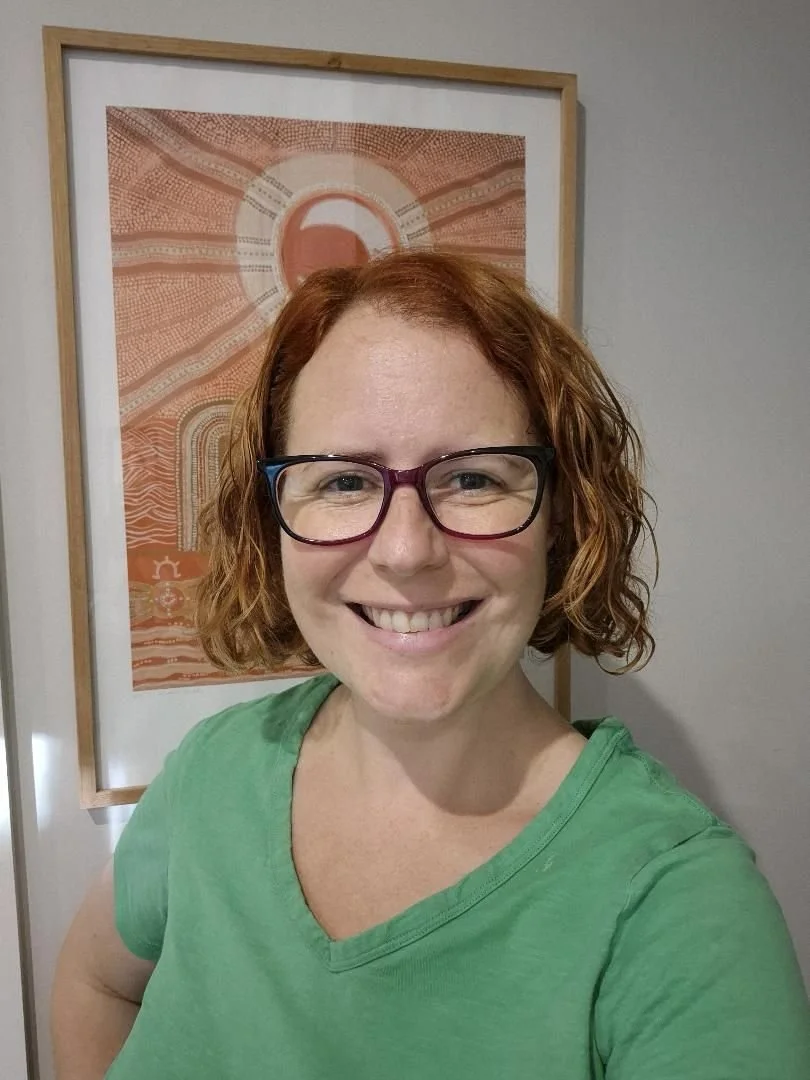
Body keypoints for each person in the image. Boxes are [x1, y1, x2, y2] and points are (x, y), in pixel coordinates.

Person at [51, 250, 810, 1079]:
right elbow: (95, 981)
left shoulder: (678, 904)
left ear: (562, 514)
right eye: (341, 481)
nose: (407, 551)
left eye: (475, 477)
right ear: (270, 515)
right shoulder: (213, 774)